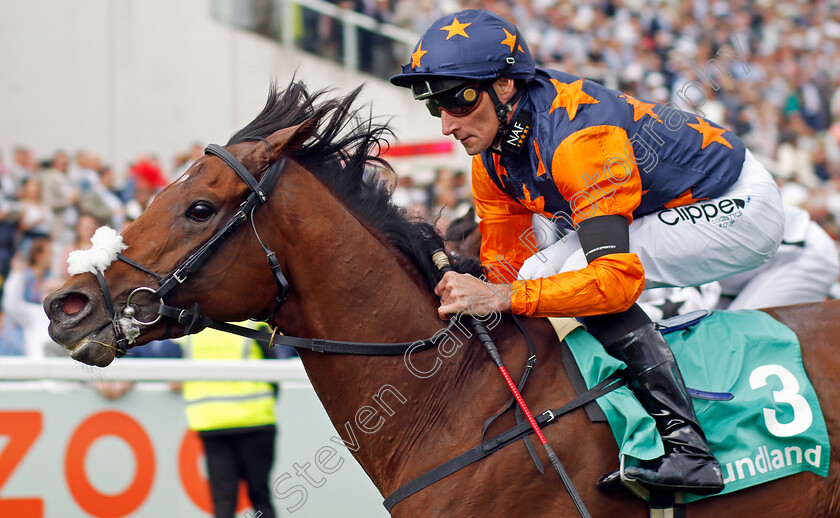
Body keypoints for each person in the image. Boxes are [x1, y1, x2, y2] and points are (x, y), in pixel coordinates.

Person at [390, 9, 786, 496]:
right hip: (666, 204)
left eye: (458, 100)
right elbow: (504, 270)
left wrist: (501, 297)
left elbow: (612, 282)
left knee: (575, 273)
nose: (447, 125)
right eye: (436, 107)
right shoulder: (490, 158)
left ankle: (688, 448)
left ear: (506, 86)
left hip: (736, 206)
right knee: (536, 271)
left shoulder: (581, 141)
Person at [180, 325, 279, 518]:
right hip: (255, 420)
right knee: (260, 498)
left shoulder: (192, 329)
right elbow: (275, 370)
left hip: (212, 422)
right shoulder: (253, 324)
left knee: (223, 501)